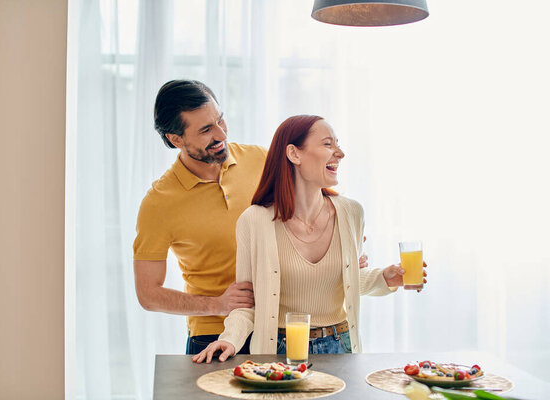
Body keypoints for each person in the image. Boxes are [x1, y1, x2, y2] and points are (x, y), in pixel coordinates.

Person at [192, 115, 428, 363]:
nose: (340, 153)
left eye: (337, 144)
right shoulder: (254, 221)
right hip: (279, 351)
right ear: (294, 154)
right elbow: (246, 301)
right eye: (328, 144)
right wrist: (229, 339)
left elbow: (345, 281)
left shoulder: (351, 213)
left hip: (340, 347)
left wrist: (386, 278)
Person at [133, 80, 266, 354]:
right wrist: (218, 304)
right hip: (212, 336)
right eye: (206, 130)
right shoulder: (159, 202)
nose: (221, 134)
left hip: (275, 328)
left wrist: (343, 251)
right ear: (176, 139)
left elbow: (320, 207)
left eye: (220, 120)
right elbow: (148, 294)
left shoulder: (261, 160)